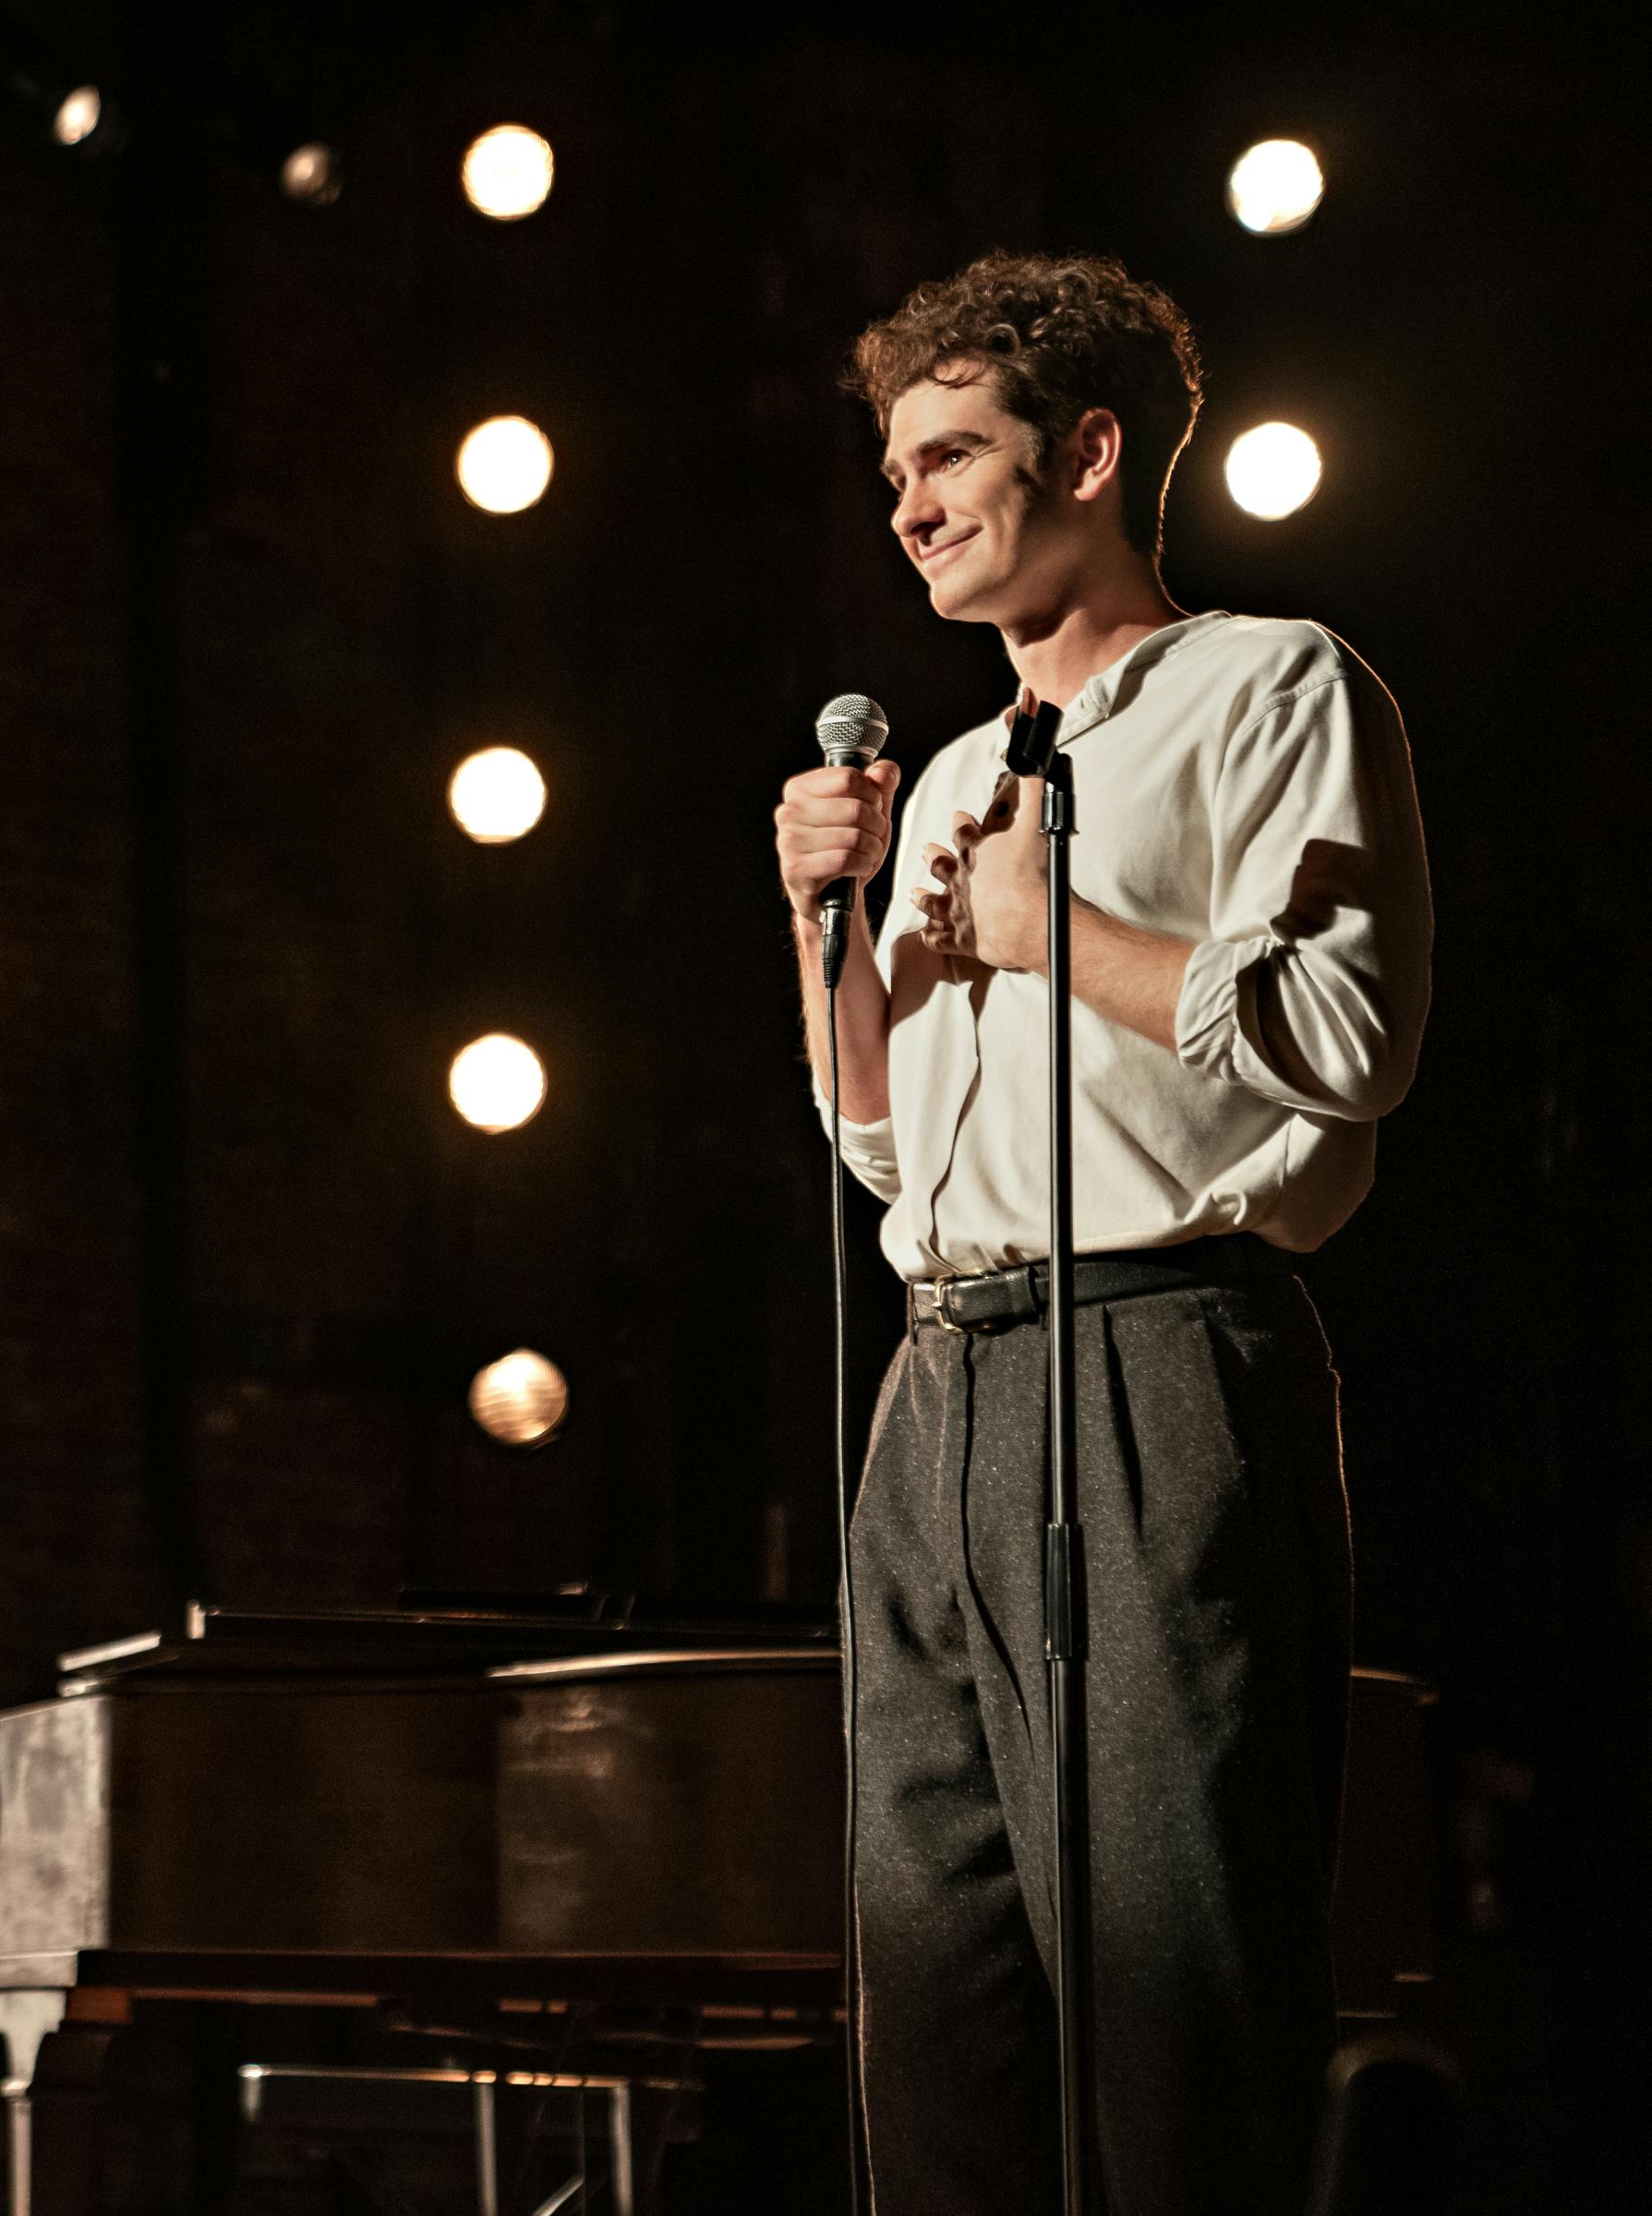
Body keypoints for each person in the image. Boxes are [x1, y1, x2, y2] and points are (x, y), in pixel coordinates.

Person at [771, 253, 1431, 2213]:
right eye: (895, 466)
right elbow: (890, 1152)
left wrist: (1060, 929)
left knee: (1168, 1997)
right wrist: (828, 930)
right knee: (939, 2006)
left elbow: (1351, 1036)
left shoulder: (1275, 684)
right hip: (941, 1384)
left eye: (953, 452)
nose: (909, 504)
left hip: (1157, 1361)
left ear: (1091, 448)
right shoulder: (960, 773)